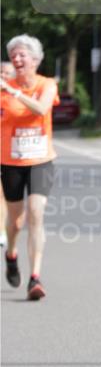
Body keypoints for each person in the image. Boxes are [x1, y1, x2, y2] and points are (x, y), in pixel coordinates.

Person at [0, 35, 60, 300]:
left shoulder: (46, 85)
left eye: (22, 54)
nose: (17, 58)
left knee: (36, 212)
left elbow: (41, 109)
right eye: (13, 55)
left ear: (36, 60)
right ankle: (11, 255)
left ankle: (35, 278)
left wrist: (14, 92)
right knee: (16, 220)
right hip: (11, 162)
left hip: (41, 161)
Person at [0, 62, 16, 249]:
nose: (4, 75)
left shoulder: (19, 96)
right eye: (1, 72)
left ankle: (3, 229)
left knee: (3, 195)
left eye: (8, 73)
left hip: (11, 152)